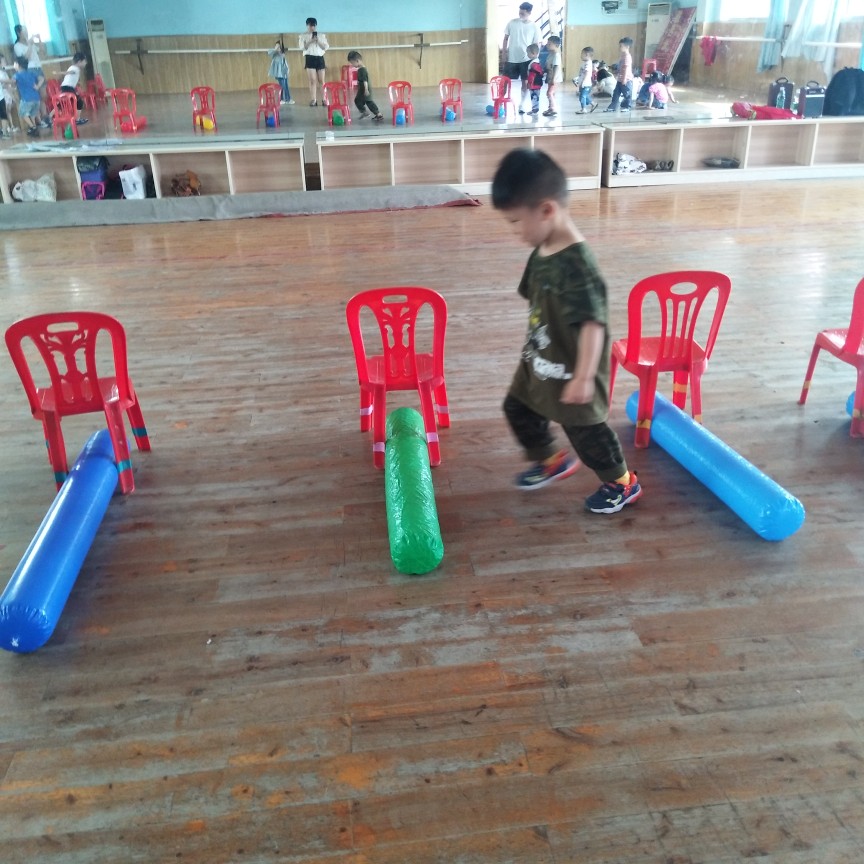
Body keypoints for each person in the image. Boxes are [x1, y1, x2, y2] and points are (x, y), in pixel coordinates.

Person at [491, 148, 642, 514]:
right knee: (517, 407)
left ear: (547, 210)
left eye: (516, 222)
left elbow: (593, 324)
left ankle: (622, 482)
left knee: (586, 431)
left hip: (575, 370)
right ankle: (551, 460)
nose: (514, 231)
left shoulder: (577, 266)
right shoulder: (542, 250)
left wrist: (584, 377)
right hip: (541, 360)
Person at [502, 2, 541, 114]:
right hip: (511, 58)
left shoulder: (534, 26)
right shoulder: (512, 23)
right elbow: (505, 38)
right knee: (505, 81)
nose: (520, 14)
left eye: (523, 13)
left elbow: (536, 44)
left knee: (525, 83)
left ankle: (522, 105)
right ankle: (501, 102)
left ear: (529, 13)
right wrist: (504, 53)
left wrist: (535, 59)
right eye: (519, 12)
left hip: (526, 59)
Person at [299, 17, 328, 107]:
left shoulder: (321, 35)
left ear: (315, 26)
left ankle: (324, 99)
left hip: (320, 58)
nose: (312, 27)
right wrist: (310, 41)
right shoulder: (303, 36)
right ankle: (313, 100)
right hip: (310, 58)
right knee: (312, 80)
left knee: (321, 80)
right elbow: (302, 48)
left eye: (313, 25)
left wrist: (317, 41)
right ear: (307, 25)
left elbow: (325, 47)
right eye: (310, 25)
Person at [347, 51, 383, 121]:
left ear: (357, 61)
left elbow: (365, 80)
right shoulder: (361, 69)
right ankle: (366, 112)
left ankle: (378, 114)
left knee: (369, 102)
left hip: (365, 89)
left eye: (352, 63)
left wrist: (366, 90)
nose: (352, 65)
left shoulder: (362, 70)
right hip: (362, 89)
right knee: (359, 100)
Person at [13, 55, 44, 137]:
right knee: (32, 115)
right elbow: (42, 78)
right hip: (36, 99)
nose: (14, 65)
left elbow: (12, 81)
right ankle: (33, 129)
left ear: (18, 65)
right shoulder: (31, 73)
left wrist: (2, 80)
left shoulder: (17, 75)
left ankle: (33, 127)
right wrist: (38, 86)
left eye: (14, 63)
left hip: (27, 99)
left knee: (22, 113)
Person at [604, 37, 634, 112]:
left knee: (627, 94)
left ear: (627, 47)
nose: (619, 48)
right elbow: (621, 67)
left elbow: (626, 68)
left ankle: (627, 106)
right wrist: (617, 73)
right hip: (620, 79)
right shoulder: (622, 56)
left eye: (621, 46)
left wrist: (624, 79)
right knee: (616, 93)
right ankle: (612, 107)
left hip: (626, 79)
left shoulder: (627, 57)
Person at [59, 52, 89, 124]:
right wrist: (60, 72)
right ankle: (77, 119)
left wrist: (77, 83)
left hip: (66, 87)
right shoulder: (75, 68)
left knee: (62, 103)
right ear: (79, 62)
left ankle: (49, 116)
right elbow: (70, 73)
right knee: (79, 102)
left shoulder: (73, 67)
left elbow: (71, 77)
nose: (85, 63)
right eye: (84, 61)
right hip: (68, 88)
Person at [268, 39, 294, 105]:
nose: (278, 48)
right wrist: (276, 49)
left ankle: (288, 99)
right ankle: (281, 99)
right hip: (279, 73)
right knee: (282, 86)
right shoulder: (274, 54)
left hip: (284, 72)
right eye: (277, 46)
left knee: (286, 85)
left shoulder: (282, 55)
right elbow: (270, 52)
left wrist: (287, 70)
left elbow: (285, 63)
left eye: (279, 47)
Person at [542, 35, 562, 117]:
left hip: (555, 78)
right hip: (550, 77)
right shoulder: (551, 54)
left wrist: (553, 78)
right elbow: (547, 65)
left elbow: (556, 67)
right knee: (551, 94)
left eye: (549, 44)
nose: (547, 45)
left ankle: (553, 109)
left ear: (556, 45)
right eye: (547, 43)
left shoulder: (556, 55)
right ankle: (550, 108)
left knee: (549, 93)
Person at [574, 46, 596, 114]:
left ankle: (583, 109)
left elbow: (587, 73)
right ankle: (593, 104)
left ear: (587, 54)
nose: (581, 55)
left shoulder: (588, 63)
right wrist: (578, 80)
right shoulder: (584, 63)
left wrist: (583, 82)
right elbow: (581, 73)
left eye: (582, 54)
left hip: (586, 84)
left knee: (583, 96)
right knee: (584, 96)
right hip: (583, 83)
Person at [525, 43, 544, 115]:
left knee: (534, 97)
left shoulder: (534, 64)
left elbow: (532, 75)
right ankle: (534, 109)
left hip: (534, 84)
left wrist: (529, 83)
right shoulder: (536, 62)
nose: (527, 55)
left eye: (528, 53)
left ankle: (535, 110)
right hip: (536, 83)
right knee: (534, 96)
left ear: (533, 53)